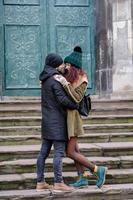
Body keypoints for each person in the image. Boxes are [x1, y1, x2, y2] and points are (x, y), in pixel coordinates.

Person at [54, 46, 108, 188]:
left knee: (70, 152)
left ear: (72, 66)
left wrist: (65, 85)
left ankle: (97, 169)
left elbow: (77, 99)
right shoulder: (68, 77)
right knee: (75, 150)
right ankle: (83, 177)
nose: (65, 66)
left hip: (73, 119)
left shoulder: (82, 80)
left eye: (67, 64)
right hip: (65, 117)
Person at [36, 53, 79, 192]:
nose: (62, 66)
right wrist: (75, 104)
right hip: (57, 122)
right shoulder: (55, 80)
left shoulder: (44, 79)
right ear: (55, 64)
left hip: (47, 121)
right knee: (58, 153)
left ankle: (40, 182)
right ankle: (59, 182)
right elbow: (62, 99)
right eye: (60, 64)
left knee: (43, 153)